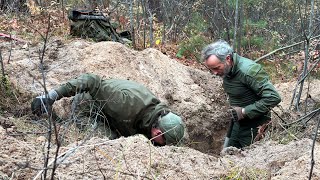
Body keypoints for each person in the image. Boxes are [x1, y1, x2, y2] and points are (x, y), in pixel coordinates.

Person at [31, 73, 185, 146]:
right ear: (157, 132)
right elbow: (91, 81)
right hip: (88, 107)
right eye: (165, 143)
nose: (164, 146)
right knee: (112, 142)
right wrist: (51, 96)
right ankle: (63, 121)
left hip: (115, 113)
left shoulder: (160, 114)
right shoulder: (124, 105)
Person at [201, 40, 281, 149]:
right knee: (228, 157)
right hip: (237, 124)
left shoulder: (249, 71)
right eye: (211, 69)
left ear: (228, 59)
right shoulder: (227, 70)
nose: (214, 73)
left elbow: (273, 97)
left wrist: (244, 111)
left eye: (216, 68)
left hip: (255, 128)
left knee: (248, 162)